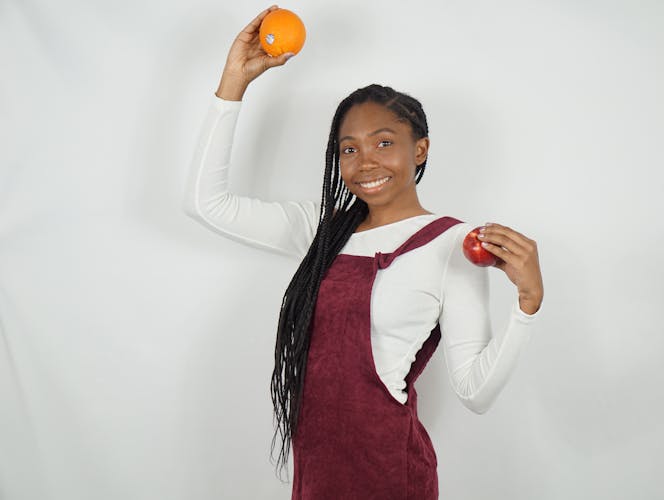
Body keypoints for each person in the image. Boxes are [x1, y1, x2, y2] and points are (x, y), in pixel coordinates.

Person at [183, 5, 544, 499]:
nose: (364, 162)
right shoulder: (322, 230)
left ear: (420, 149)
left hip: (391, 476)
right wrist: (233, 83)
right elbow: (207, 204)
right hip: (317, 475)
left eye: (384, 142)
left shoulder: (451, 245)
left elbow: (475, 393)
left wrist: (526, 305)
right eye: (349, 149)